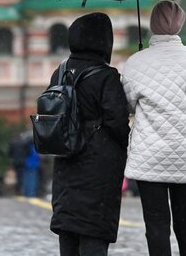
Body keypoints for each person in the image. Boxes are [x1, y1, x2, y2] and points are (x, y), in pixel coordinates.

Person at [122, 0, 186, 256]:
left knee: (156, 226)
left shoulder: (135, 62)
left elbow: (127, 106)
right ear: (180, 24)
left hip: (150, 157)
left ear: (152, 24)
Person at [48, 13, 130, 256]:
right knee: (93, 230)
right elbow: (117, 121)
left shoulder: (60, 72)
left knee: (69, 227)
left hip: (66, 157)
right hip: (98, 163)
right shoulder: (106, 76)